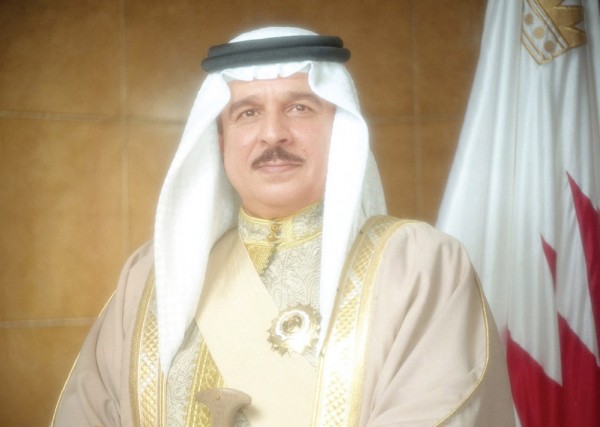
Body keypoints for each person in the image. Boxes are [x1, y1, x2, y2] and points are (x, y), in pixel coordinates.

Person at [52, 26, 515, 426]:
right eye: (248, 113)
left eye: (300, 108)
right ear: (221, 141)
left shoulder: (419, 266)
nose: (273, 133)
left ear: (340, 129)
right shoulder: (151, 276)